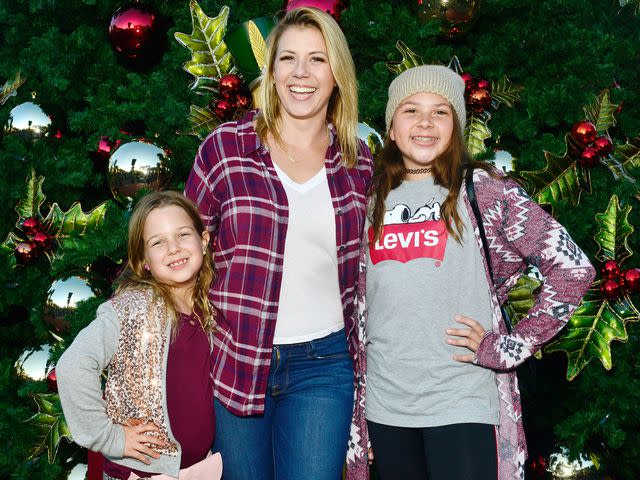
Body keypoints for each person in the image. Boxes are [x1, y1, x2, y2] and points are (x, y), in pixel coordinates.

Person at [362, 65, 595, 480]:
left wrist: (511, 345)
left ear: (457, 127)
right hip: (386, 404)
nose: (425, 123)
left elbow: (573, 268)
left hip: (461, 398)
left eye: (441, 112)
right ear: (391, 128)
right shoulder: (366, 198)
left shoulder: (485, 190)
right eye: (411, 110)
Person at [184, 6, 373, 480]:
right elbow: (181, 259)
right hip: (234, 357)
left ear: (337, 74)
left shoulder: (359, 162)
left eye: (317, 59)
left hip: (323, 366)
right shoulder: (224, 149)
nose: (301, 73)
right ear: (271, 71)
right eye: (288, 58)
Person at [57, 191, 222, 480]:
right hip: (139, 473)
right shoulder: (130, 308)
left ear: (204, 241)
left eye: (183, 235)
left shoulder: (212, 305)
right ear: (143, 259)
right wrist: (111, 438)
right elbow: (73, 366)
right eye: (158, 242)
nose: (173, 248)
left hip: (199, 470)